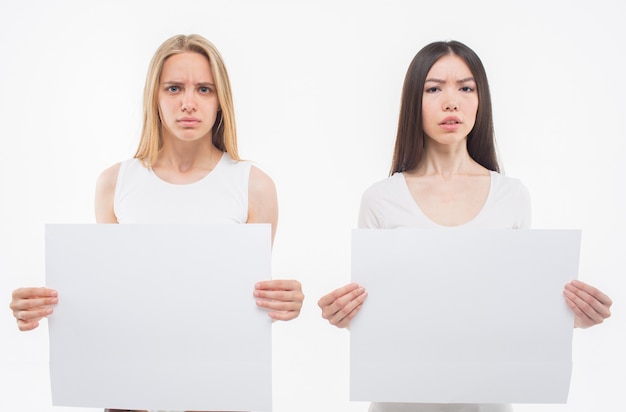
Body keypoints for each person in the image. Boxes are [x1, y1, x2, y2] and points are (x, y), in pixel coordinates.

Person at [9, 34, 304, 412]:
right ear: (155, 96)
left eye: (204, 89)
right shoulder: (115, 183)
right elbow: (113, 297)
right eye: (174, 88)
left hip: (216, 395)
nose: (188, 102)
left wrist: (282, 303)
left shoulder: (254, 186)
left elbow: (243, 305)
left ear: (221, 100)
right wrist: (45, 305)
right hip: (130, 395)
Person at [317, 40, 612, 412]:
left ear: (480, 100)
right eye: (434, 88)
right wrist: (345, 315)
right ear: (413, 102)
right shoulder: (380, 199)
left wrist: (570, 318)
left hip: (486, 401)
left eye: (466, 88)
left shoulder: (512, 196)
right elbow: (377, 318)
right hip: (399, 400)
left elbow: (513, 312)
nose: (451, 102)